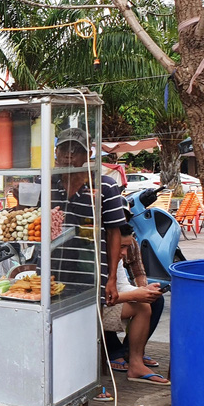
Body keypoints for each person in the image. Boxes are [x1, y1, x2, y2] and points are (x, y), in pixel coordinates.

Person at [51, 127, 126, 303]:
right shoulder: (45, 183)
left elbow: (114, 233)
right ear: (56, 152)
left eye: (76, 150)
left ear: (88, 154)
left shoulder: (105, 186)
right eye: (64, 149)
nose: (69, 155)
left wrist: (112, 279)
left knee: (89, 326)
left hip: (90, 274)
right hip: (50, 273)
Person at [99, 224, 169, 386]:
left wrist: (143, 291)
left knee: (150, 300)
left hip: (108, 303)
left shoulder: (117, 259)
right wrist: (134, 295)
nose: (124, 253)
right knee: (142, 306)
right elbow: (99, 298)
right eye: (121, 247)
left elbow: (123, 285)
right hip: (92, 308)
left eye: (126, 248)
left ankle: (134, 358)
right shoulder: (96, 259)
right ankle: (132, 360)